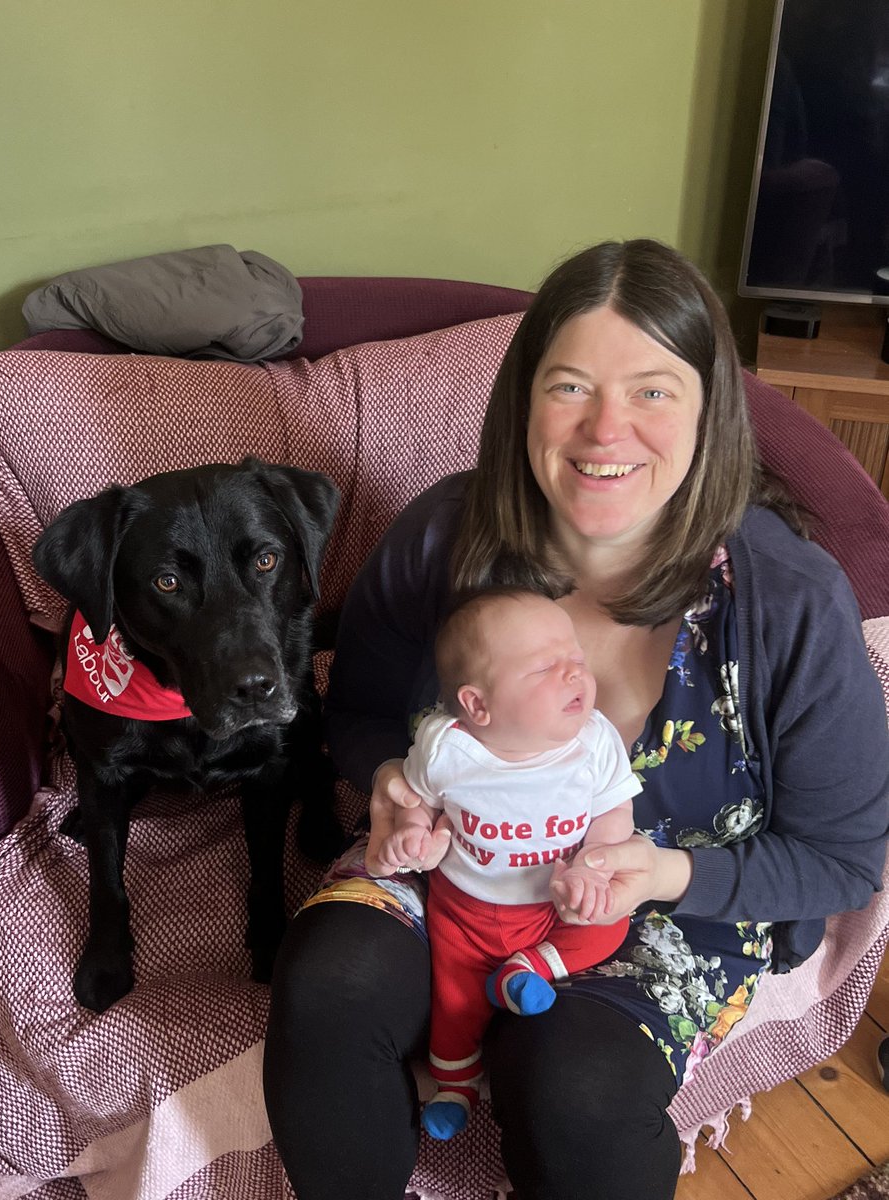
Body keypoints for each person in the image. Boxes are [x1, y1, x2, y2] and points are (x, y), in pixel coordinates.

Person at [263, 239, 889, 1200]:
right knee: (327, 985)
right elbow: (358, 716)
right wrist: (390, 785)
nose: (606, 429)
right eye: (569, 387)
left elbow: (845, 861)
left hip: (670, 912)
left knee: (577, 1084)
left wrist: (664, 871)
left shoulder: (790, 602)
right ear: (522, 402)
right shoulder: (444, 538)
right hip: (452, 877)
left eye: (651, 391)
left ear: (708, 410)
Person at [367, 587, 640, 1139]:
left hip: (553, 909)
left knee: (610, 922)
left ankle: (533, 967)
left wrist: (591, 867)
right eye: (545, 668)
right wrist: (413, 835)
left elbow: (615, 813)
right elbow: (416, 799)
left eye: (577, 660)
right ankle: (455, 1088)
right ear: (477, 704)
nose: (574, 675)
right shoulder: (448, 749)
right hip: (465, 912)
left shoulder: (594, 743)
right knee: (455, 1000)